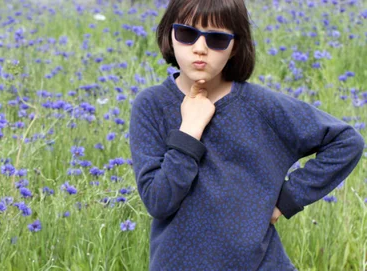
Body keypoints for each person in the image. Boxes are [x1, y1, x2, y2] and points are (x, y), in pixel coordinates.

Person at [128, 0, 365, 270]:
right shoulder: (151, 105)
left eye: (217, 39)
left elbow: (347, 142)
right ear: (169, 35)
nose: (199, 48)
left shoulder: (260, 106)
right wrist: (189, 132)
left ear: (235, 47)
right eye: (186, 33)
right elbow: (159, 201)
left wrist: (286, 200)